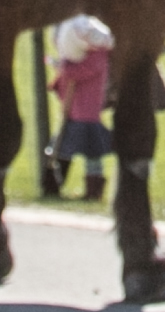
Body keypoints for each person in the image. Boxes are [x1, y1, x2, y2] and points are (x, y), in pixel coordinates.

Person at [46, 13, 115, 202]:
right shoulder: (78, 55)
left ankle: (93, 190)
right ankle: (53, 185)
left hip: (86, 113)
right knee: (60, 147)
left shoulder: (97, 57)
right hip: (73, 112)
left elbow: (81, 72)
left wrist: (64, 68)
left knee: (92, 152)